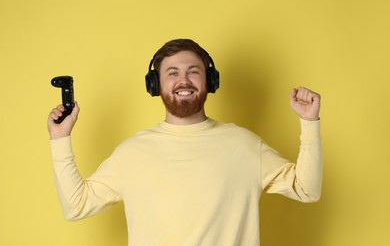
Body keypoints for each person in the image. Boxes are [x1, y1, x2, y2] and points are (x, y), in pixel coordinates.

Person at [48, 39, 322, 246]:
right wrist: (60, 140)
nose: (184, 81)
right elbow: (77, 206)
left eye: (193, 71)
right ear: (155, 85)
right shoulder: (131, 153)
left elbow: (307, 189)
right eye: (172, 73)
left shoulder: (245, 145)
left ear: (210, 81)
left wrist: (309, 123)